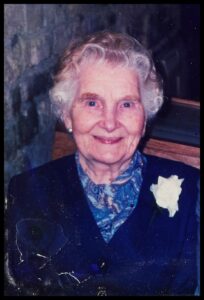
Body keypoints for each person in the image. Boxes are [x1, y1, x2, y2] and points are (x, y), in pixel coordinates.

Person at [5, 31, 200, 296]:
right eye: (92, 102)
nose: (110, 122)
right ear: (67, 114)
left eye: (127, 104)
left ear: (145, 117)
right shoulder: (26, 191)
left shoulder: (192, 193)